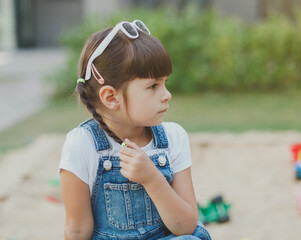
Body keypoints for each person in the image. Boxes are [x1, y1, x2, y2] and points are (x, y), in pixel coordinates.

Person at [59, 20, 211, 240]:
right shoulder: (82, 145)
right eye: (153, 86)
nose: (166, 94)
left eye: (165, 83)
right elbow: (78, 229)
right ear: (111, 97)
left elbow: (186, 225)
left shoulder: (173, 138)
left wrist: (152, 179)